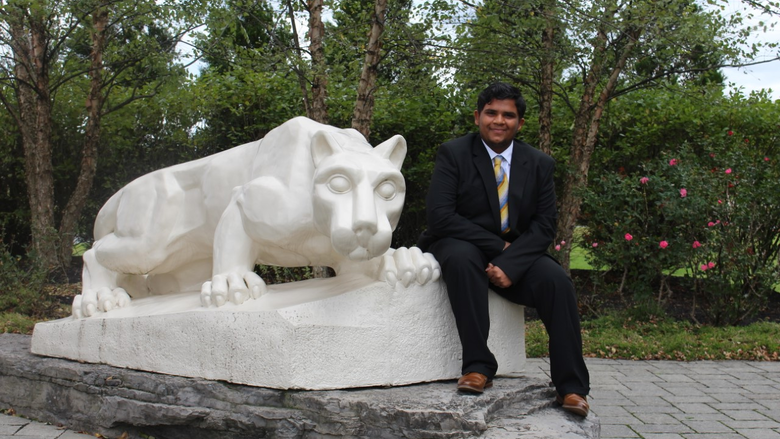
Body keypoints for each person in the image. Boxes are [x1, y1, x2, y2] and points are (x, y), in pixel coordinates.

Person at [418, 82, 590, 417]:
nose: (499, 121)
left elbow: (544, 225)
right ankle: (478, 366)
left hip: (517, 252)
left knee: (556, 282)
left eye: (508, 115)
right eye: (491, 113)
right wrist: (499, 248)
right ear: (477, 117)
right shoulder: (454, 153)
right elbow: (440, 216)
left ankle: (571, 388)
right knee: (463, 258)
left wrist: (511, 263)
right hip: (460, 241)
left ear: (520, 123)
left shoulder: (539, 163)